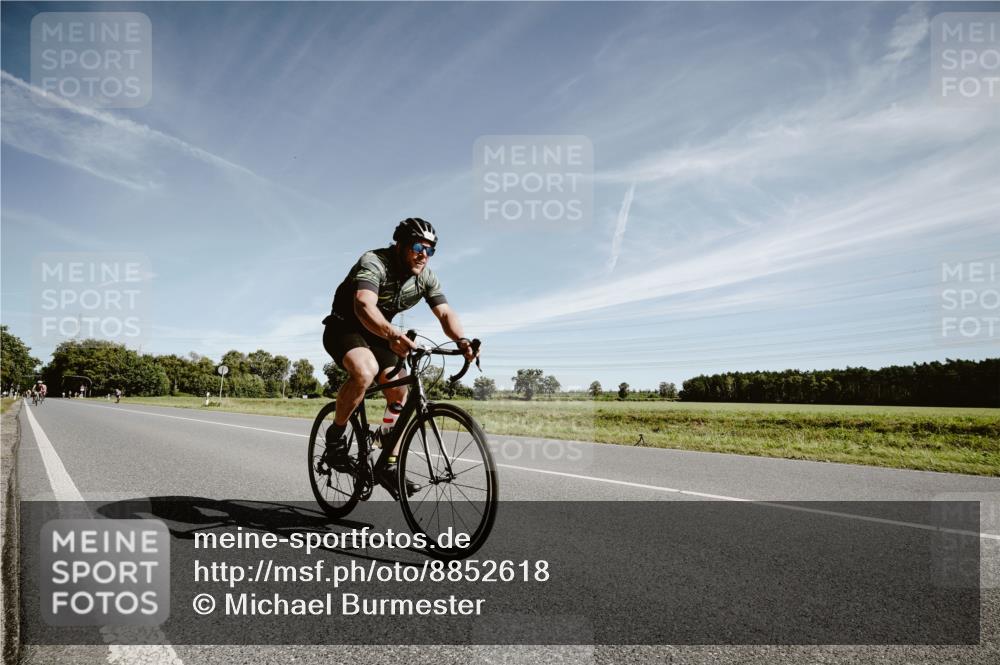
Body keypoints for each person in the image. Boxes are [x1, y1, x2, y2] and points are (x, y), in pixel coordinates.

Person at [321, 218, 477, 499]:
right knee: (365, 371)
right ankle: (335, 439)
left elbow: (444, 313)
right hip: (345, 326)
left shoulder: (425, 277)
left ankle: (388, 464)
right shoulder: (375, 262)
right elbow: (363, 304)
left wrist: (462, 341)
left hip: (379, 334)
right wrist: (393, 334)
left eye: (430, 250)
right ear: (400, 245)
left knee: (400, 392)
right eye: (418, 247)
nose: (423, 255)